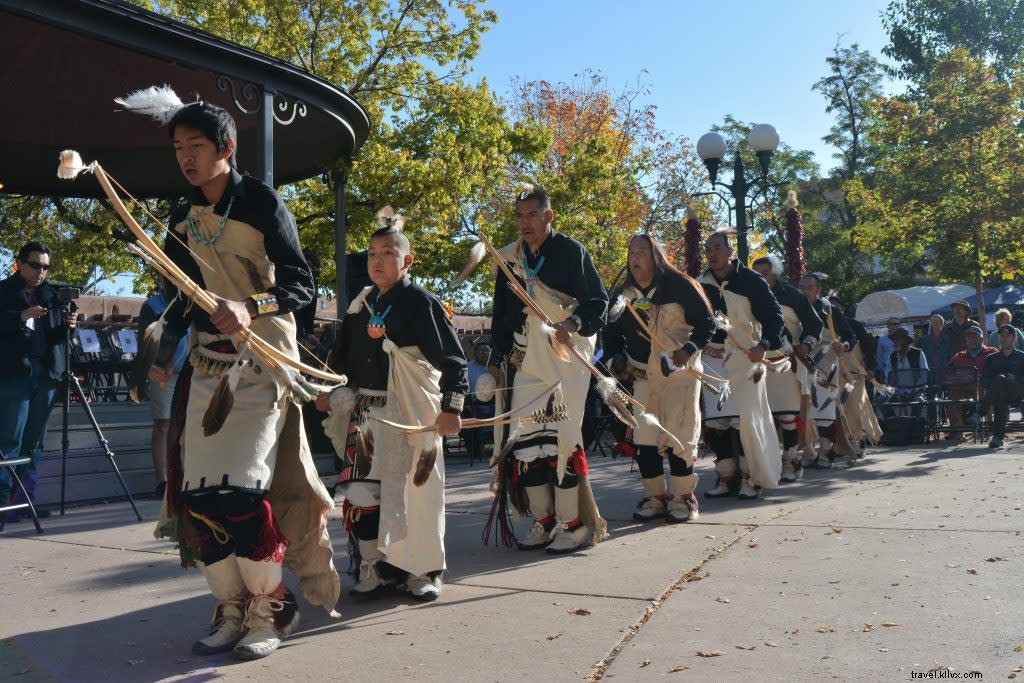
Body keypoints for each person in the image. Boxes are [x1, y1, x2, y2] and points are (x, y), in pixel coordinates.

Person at [122, 91, 339, 660]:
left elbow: (300, 287)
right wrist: (163, 351)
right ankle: (231, 608)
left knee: (241, 490)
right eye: (178, 148)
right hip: (206, 364)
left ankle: (271, 610)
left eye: (196, 146)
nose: (186, 158)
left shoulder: (262, 203)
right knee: (200, 497)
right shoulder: (178, 212)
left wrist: (250, 306)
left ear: (227, 148)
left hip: (263, 360)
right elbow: (176, 296)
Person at [316, 211, 467, 602]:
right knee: (364, 493)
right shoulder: (358, 307)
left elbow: (454, 362)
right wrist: (328, 391)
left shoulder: (421, 303)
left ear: (407, 261)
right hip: (366, 415)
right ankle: (375, 567)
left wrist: (452, 407)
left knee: (414, 493)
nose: (377, 261)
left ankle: (421, 570)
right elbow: (341, 362)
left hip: (411, 413)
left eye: (387, 252)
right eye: (370, 254)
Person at [488, 186, 609, 553]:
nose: (525, 223)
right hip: (527, 359)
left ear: (548, 216)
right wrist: (496, 358)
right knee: (527, 441)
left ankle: (572, 525)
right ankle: (542, 522)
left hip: (566, 355)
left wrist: (571, 325)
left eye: (532, 215)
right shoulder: (509, 257)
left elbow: (597, 302)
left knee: (562, 438)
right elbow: (502, 314)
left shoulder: (571, 252)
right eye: (519, 216)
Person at [604, 234, 714, 523]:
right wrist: (615, 356)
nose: (634, 257)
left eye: (641, 251)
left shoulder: (680, 285)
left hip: (680, 373)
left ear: (656, 256)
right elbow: (611, 331)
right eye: (631, 252)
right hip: (642, 375)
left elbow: (707, 324)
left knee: (679, 435)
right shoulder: (625, 293)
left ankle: (682, 499)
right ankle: (655, 497)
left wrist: (688, 349)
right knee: (646, 439)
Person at [699, 230, 786, 499]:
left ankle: (752, 479)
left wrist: (763, 345)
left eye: (716, 247)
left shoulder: (751, 280)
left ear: (729, 251)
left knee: (746, 422)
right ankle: (727, 477)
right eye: (708, 248)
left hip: (746, 357)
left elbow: (774, 317)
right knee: (717, 423)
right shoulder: (700, 283)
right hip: (711, 359)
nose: (711, 253)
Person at [0, 241, 77, 523]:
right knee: (9, 439)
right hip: (14, 374)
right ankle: (2, 504)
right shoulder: (5, 290)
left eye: (45, 266)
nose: (41, 272)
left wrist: (70, 326)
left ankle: (23, 502)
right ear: (20, 263)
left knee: (35, 442)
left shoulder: (52, 295)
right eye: (36, 265)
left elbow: (59, 337)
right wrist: (21, 317)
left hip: (45, 374)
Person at [751, 255, 822, 482]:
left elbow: (814, 324)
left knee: (788, 416)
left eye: (765, 274)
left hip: (787, 361)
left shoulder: (792, 295)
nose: (760, 279)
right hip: (757, 361)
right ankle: (768, 464)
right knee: (764, 418)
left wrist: (807, 344)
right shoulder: (746, 295)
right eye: (756, 274)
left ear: (775, 274)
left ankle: (791, 461)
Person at [138, 280, 190, 498]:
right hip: (164, 373)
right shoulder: (153, 305)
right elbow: (146, 340)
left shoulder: (191, 302)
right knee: (163, 424)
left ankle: (182, 476)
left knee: (184, 425)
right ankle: (162, 480)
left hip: (190, 371)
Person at [798, 273, 857, 467]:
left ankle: (826, 452)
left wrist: (844, 345)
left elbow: (850, 336)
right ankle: (807, 452)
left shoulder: (829, 311)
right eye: (802, 287)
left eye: (809, 287)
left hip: (825, 363)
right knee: (802, 411)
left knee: (824, 409)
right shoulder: (793, 309)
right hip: (799, 362)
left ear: (818, 289)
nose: (805, 291)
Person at [829, 296, 883, 458]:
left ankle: (858, 443)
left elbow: (868, 348)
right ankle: (842, 444)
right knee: (838, 410)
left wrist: (871, 368)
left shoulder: (854, 326)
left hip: (854, 374)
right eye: (830, 307)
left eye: (836, 307)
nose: (833, 310)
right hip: (832, 375)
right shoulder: (824, 325)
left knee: (855, 408)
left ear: (842, 309)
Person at [943, 325, 995, 438]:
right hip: (963, 388)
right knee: (953, 395)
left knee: (986, 391)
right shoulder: (959, 356)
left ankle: (988, 430)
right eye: (969, 338)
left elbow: (998, 370)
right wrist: (957, 377)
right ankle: (956, 431)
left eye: (975, 337)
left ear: (981, 339)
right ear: (966, 340)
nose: (972, 340)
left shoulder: (991, 352)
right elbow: (947, 373)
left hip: (984, 388)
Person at [979, 325, 1024, 448]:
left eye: (1007, 336)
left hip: (1018, 393)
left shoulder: (1022, 357)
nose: (1004, 339)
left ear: (1015, 339)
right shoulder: (991, 358)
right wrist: (996, 383)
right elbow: (984, 380)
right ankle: (997, 438)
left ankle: (981, 410)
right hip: (999, 395)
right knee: (1000, 390)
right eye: (1001, 336)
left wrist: (1015, 379)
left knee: (1000, 381)